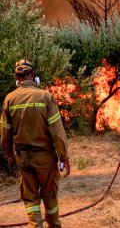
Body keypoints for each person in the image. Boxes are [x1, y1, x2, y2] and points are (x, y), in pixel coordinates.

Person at [1, 59, 70, 228]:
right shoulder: (45, 97)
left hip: (23, 157)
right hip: (45, 157)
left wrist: (9, 153)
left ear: (17, 78)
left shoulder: (9, 99)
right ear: (33, 76)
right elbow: (58, 133)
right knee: (50, 196)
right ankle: (53, 225)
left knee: (30, 199)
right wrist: (63, 157)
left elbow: (5, 132)